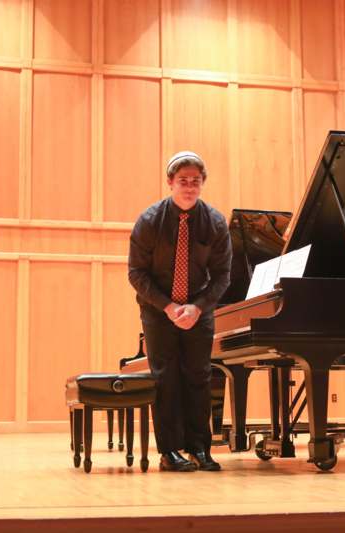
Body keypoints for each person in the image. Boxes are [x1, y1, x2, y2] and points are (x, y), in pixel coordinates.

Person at [128, 151, 232, 472]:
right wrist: (170, 306)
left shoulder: (214, 222)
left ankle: (200, 448)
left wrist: (197, 308)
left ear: (202, 185)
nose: (189, 187)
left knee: (199, 377)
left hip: (198, 311)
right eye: (183, 181)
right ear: (170, 182)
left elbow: (223, 275)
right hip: (159, 311)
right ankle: (169, 451)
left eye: (195, 181)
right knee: (165, 379)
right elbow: (136, 274)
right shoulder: (149, 222)